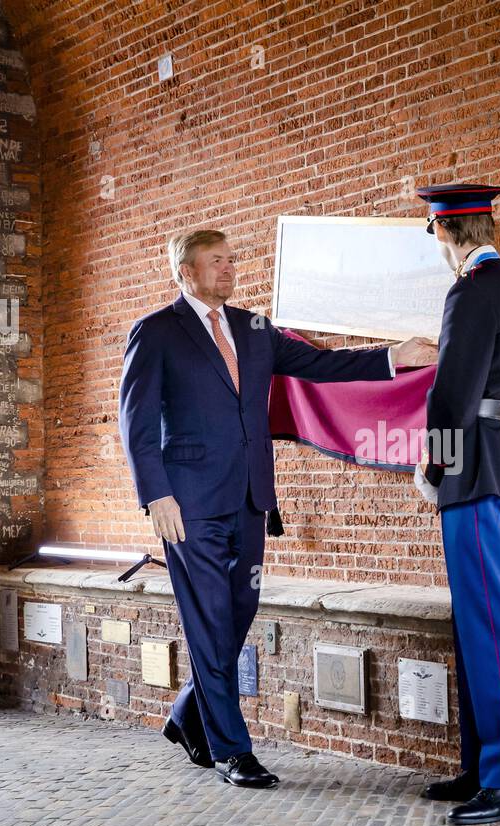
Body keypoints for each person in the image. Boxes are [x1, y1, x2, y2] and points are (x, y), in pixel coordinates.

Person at [120, 230, 437, 788]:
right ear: (185, 272)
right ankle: (231, 750)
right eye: (215, 262)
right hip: (187, 505)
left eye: (232, 261)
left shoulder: (255, 328)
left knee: (238, 613)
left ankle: (186, 715)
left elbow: (322, 366)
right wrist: (157, 494)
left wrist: (394, 357)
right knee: (210, 621)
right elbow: (136, 421)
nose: (228, 269)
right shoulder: (157, 331)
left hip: (249, 498)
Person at [412, 183, 500, 825]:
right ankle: (486, 764)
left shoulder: (470, 289)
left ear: (444, 232)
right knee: (477, 624)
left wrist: (436, 464)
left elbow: (451, 394)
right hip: (498, 457)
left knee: (491, 624)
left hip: (475, 468)